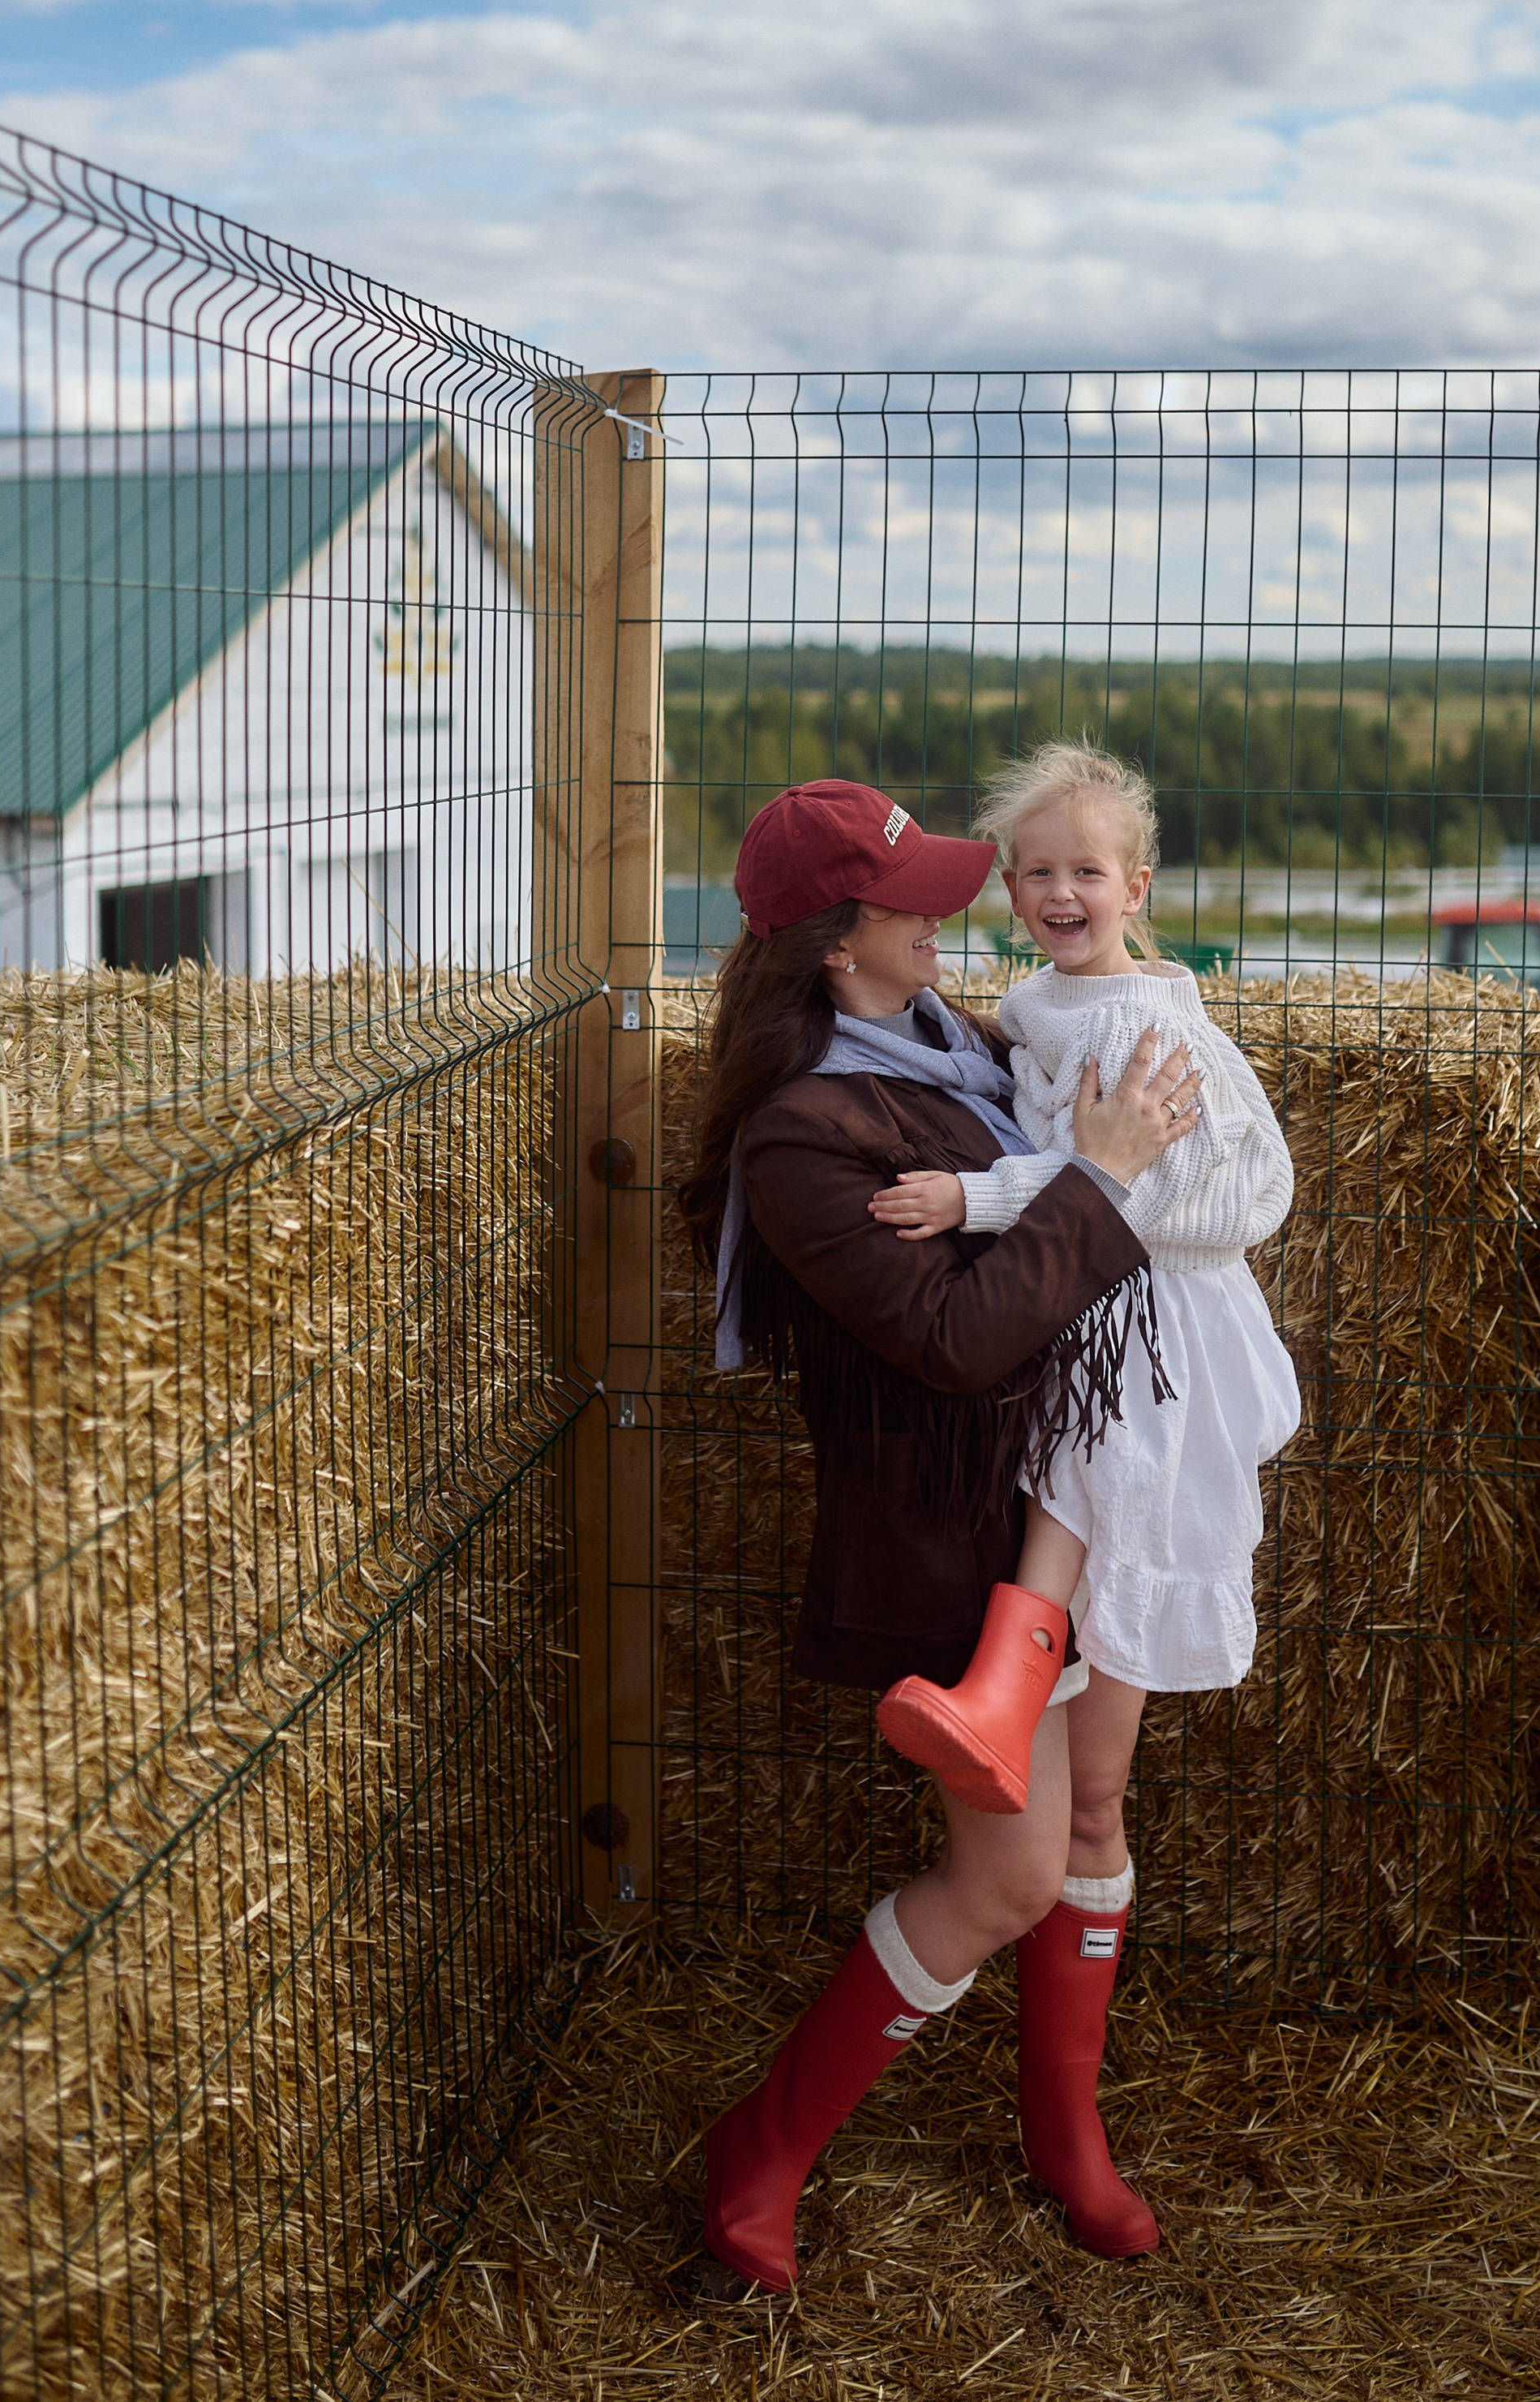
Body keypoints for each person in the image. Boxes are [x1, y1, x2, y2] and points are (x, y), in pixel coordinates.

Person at [676, 776, 1203, 2294]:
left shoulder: (955, 1040)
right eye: (916, 895)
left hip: (1087, 1497)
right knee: (1009, 1879)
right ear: (840, 943)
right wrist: (1102, 1174)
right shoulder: (801, 1137)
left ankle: (1067, 2141)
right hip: (957, 1532)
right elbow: (960, 1339)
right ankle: (760, 2151)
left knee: (1094, 1819)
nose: (952, 907)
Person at [869, 739, 1300, 1812]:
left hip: (1152, 1305)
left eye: (1089, 872)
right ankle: (1009, 1699)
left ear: (1136, 886)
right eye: (1040, 872)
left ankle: (1003, 1696)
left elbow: (1107, 1186)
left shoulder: (1134, 1026)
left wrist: (974, 1200)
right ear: (1011, 889)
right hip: (1094, 1285)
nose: (1064, 891)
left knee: (1077, 1462)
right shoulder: (1046, 1003)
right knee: (1066, 1473)